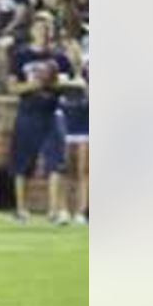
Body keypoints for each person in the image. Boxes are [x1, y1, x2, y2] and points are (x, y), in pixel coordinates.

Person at [4, 13, 76, 224]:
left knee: (56, 162)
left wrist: (53, 83)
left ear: (52, 31)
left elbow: (76, 82)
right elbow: (12, 87)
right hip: (27, 112)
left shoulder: (60, 58)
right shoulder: (20, 56)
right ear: (32, 30)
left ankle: (54, 211)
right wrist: (33, 85)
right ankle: (21, 209)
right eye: (39, 27)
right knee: (22, 163)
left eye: (47, 28)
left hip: (52, 111)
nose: (43, 32)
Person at [60, 37, 88, 225]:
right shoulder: (60, 71)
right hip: (66, 123)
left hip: (86, 123)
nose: (71, 54)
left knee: (84, 170)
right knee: (66, 170)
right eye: (68, 51)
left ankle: (82, 211)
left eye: (74, 50)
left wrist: (83, 86)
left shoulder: (88, 71)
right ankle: (64, 210)